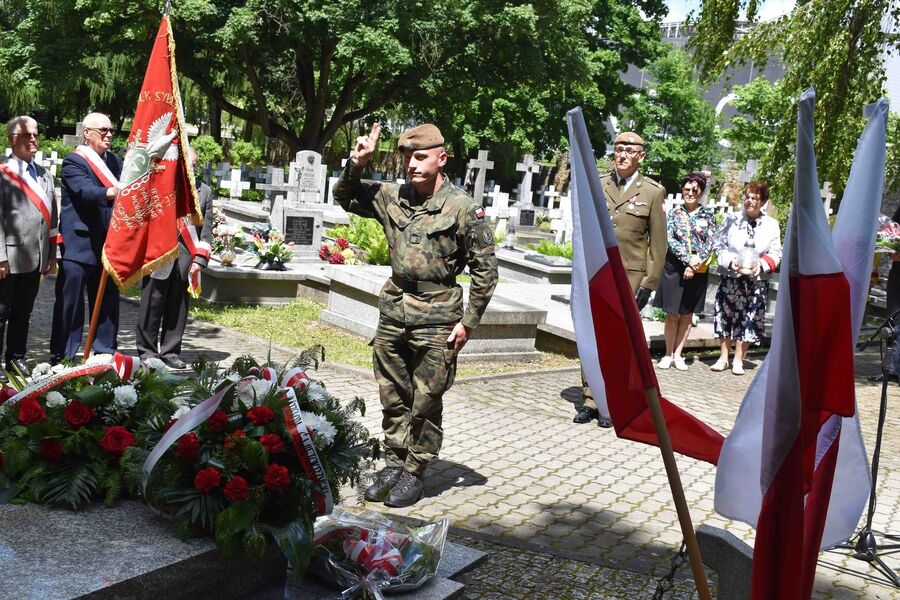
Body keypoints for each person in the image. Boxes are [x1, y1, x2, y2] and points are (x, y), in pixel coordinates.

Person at [333, 122, 498, 508]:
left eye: (420, 156)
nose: (412, 164)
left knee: (426, 398)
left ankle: (415, 470)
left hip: (438, 316)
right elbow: (345, 196)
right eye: (407, 157)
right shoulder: (392, 195)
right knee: (392, 393)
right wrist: (357, 163)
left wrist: (468, 322)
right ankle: (393, 462)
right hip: (394, 310)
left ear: (442, 158)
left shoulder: (461, 207)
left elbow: (485, 270)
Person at [574, 131, 666, 426]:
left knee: (620, 340)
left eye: (629, 149)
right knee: (593, 334)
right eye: (618, 148)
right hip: (597, 273)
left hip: (630, 278)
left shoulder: (652, 192)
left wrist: (649, 284)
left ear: (642, 155)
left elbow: (658, 244)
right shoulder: (598, 184)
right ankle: (590, 398)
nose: (622, 154)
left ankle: (612, 401)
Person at [50, 112, 123, 362]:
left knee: (107, 302)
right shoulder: (74, 162)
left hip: (108, 244)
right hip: (79, 244)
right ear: (87, 133)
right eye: (103, 130)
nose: (109, 134)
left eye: (111, 130)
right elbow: (85, 191)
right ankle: (64, 355)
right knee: (70, 303)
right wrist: (112, 191)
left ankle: (104, 352)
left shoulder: (114, 161)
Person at [135, 147, 213, 368]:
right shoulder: (160, 185)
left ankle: (170, 351)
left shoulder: (204, 191)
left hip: (186, 258)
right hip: (158, 256)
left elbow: (206, 231)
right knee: (152, 304)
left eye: (195, 164)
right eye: (188, 163)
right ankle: (146, 351)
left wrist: (199, 261)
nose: (191, 168)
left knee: (178, 308)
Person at [0, 116, 58, 381]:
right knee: (1, 312)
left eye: (36, 134)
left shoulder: (44, 174)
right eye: (27, 135)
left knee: (23, 312)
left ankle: (16, 359)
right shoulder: (3, 172)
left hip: (36, 257)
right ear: (13, 139)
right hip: (9, 256)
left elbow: (52, 219)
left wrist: (52, 254)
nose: (34, 139)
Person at [711, 181, 782, 375]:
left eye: (755, 198)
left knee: (749, 318)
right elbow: (719, 245)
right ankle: (723, 358)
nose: (750, 201)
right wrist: (728, 260)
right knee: (725, 315)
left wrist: (763, 264)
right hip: (732, 277)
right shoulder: (731, 219)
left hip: (756, 281)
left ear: (763, 202)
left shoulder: (771, 225)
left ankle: (738, 361)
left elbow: (776, 251)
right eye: (748, 197)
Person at [653, 172, 716, 370]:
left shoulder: (708, 215)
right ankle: (668, 353)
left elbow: (710, 242)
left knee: (687, 314)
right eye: (686, 189)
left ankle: (679, 355)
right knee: (672, 313)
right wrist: (688, 260)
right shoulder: (674, 213)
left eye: (694, 190)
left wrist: (695, 264)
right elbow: (671, 240)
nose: (689, 193)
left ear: (701, 192)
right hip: (675, 269)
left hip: (698, 269)